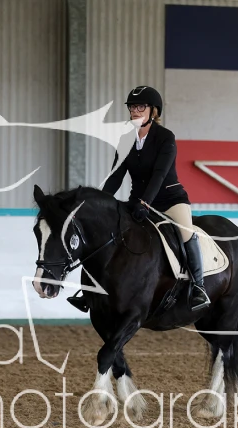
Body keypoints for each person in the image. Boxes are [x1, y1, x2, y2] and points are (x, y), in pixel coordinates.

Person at [70, 85, 211, 312]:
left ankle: (198, 287)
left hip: (170, 200)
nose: (135, 111)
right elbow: (116, 176)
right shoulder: (125, 139)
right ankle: (89, 291)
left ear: (153, 111)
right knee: (107, 231)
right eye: (132, 107)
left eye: (141, 107)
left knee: (186, 233)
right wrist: (99, 203)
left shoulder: (165, 138)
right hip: (138, 201)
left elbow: (159, 174)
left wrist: (145, 202)